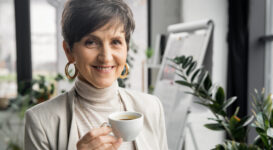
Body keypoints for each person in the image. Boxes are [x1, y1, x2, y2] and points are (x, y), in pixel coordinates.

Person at [24, 0, 168, 149]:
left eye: (116, 42)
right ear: (69, 51)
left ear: (126, 48)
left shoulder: (151, 108)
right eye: (91, 42)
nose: (106, 57)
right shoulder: (41, 121)